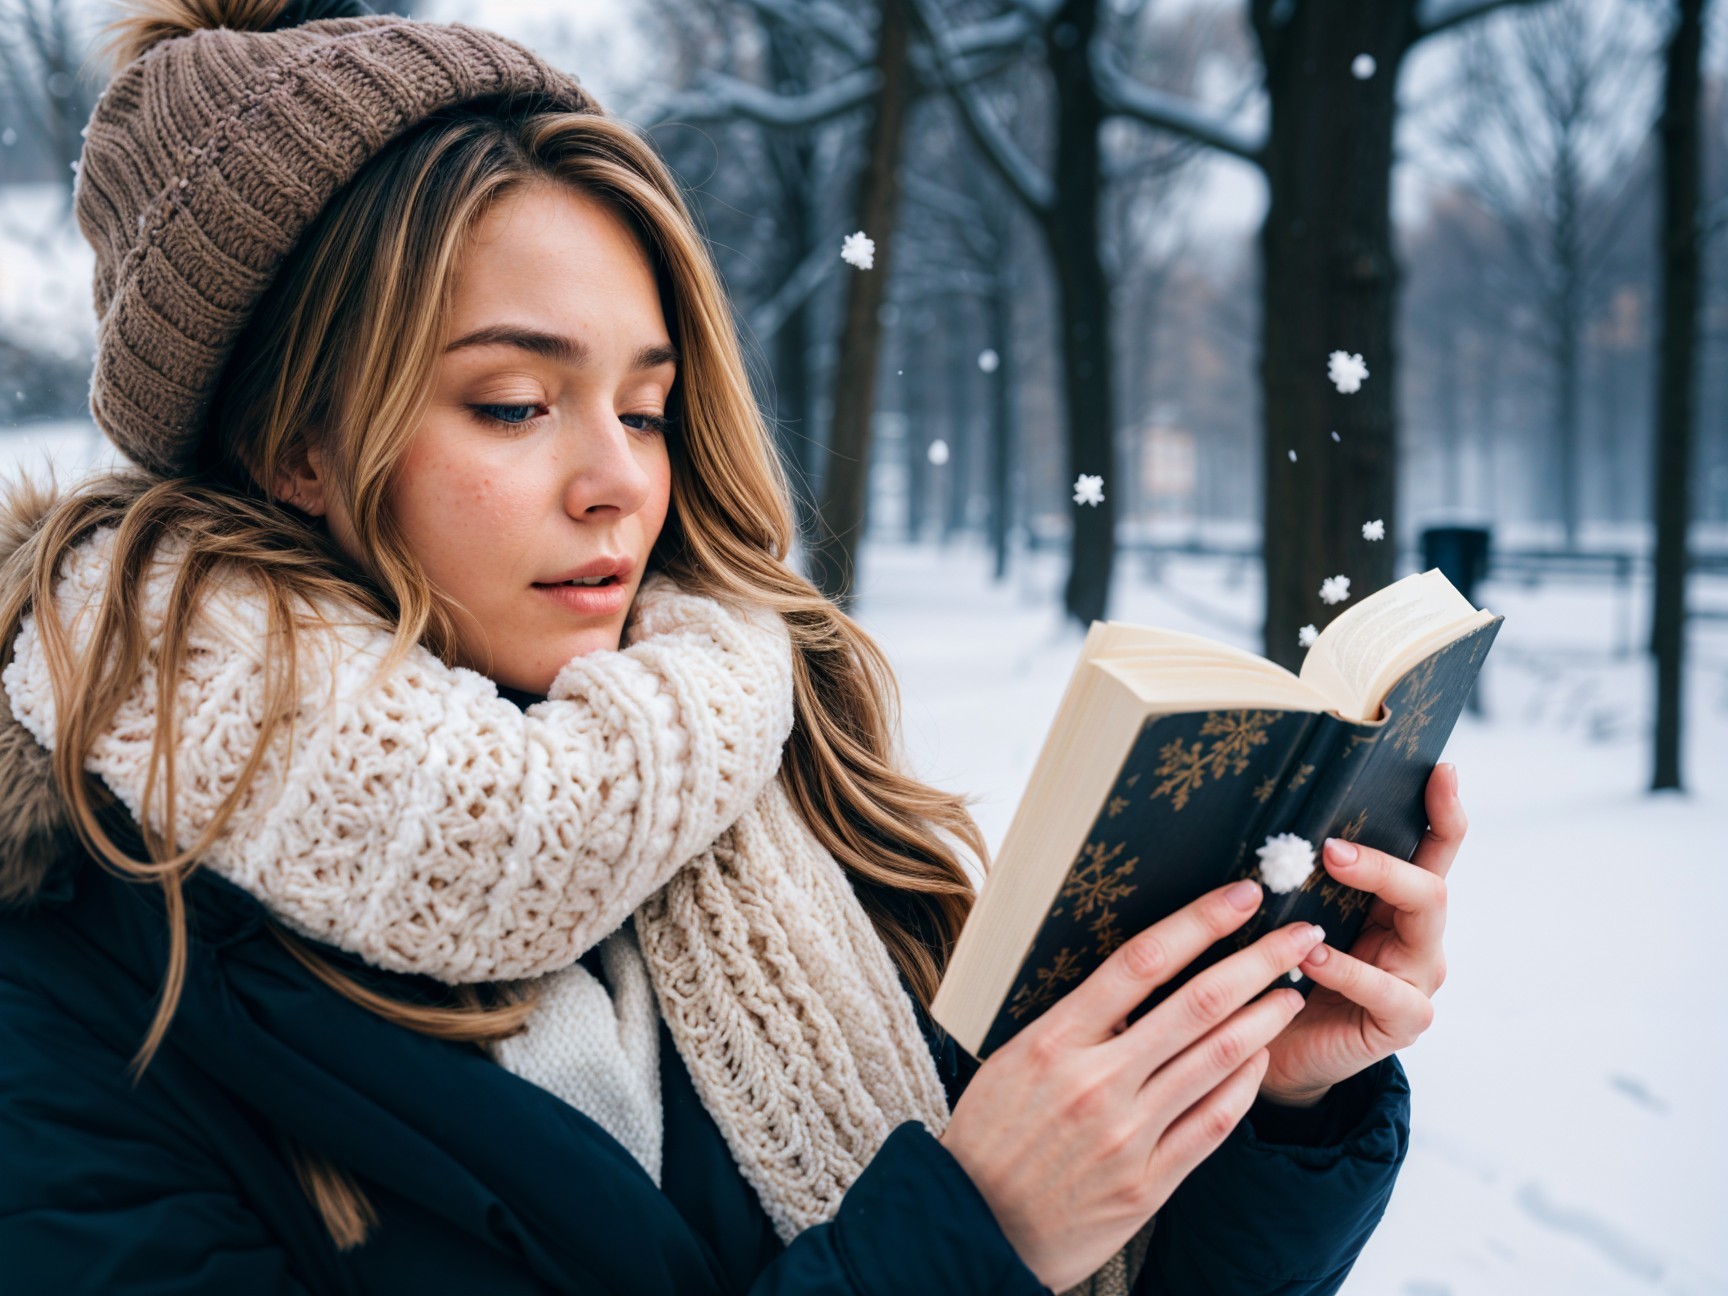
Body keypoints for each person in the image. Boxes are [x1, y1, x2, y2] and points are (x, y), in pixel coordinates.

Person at [0, 2, 1465, 1292]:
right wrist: (970, 1238)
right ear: (294, 447)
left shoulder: (766, 768)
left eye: (645, 408)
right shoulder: (73, 992)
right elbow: (998, 1241)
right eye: (514, 404)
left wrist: (1275, 1110)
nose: (621, 482)